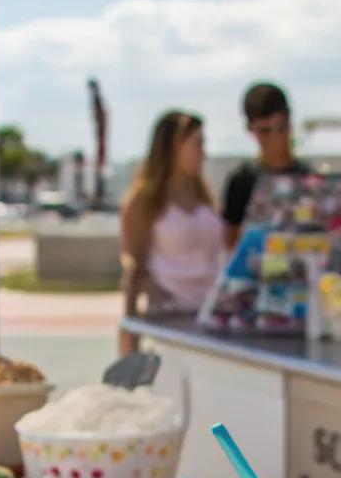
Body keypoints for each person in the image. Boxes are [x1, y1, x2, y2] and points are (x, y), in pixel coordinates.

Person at [120, 111, 223, 349]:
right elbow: (134, 271)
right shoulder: (145, 201)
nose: (203, 152)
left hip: (211, 318)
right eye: (197, 143)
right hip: (167, 322)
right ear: (174, 147)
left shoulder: (204, 199)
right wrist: (128, 344)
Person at [221, 82, 308, 249]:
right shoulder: (241, 181)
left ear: (290, 122)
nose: (275, 138)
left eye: (281, 127)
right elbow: (232, 245)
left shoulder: (309, 179)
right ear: (250, 129)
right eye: (265, 131)